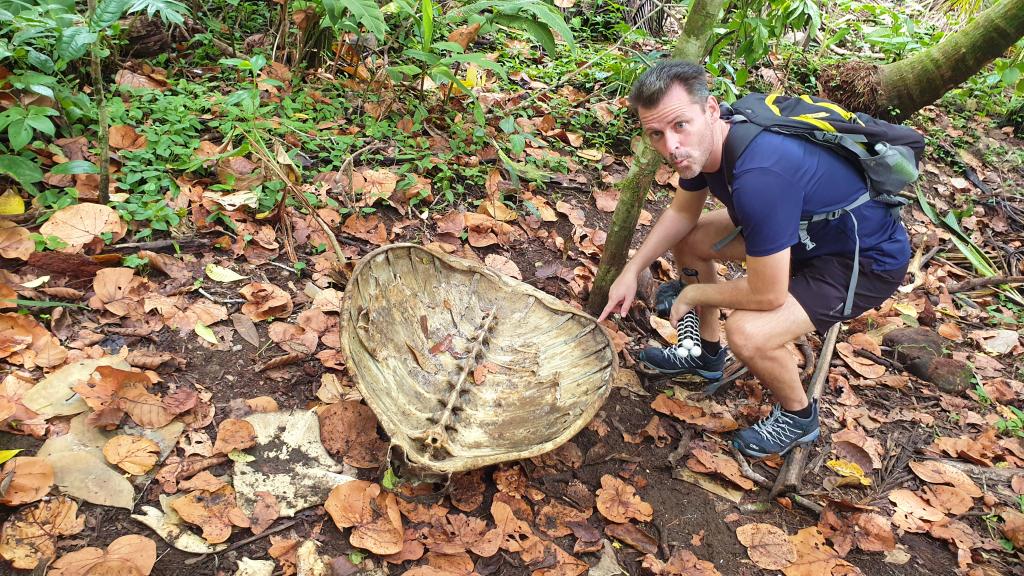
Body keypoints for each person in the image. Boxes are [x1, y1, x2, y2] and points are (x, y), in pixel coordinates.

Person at [596, 60, 911, 458]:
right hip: (799, 229)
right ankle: (705, 355)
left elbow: (766, 294)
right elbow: (681, 214)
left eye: (680, 126)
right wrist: (632, 268)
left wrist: (692, 296)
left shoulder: (761, 175)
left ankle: (799, 417)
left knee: (748, 332)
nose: (670, 146)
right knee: (692, 240)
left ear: (710, 110)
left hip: (859, 260)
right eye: (656, 134)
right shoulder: (708, 144)